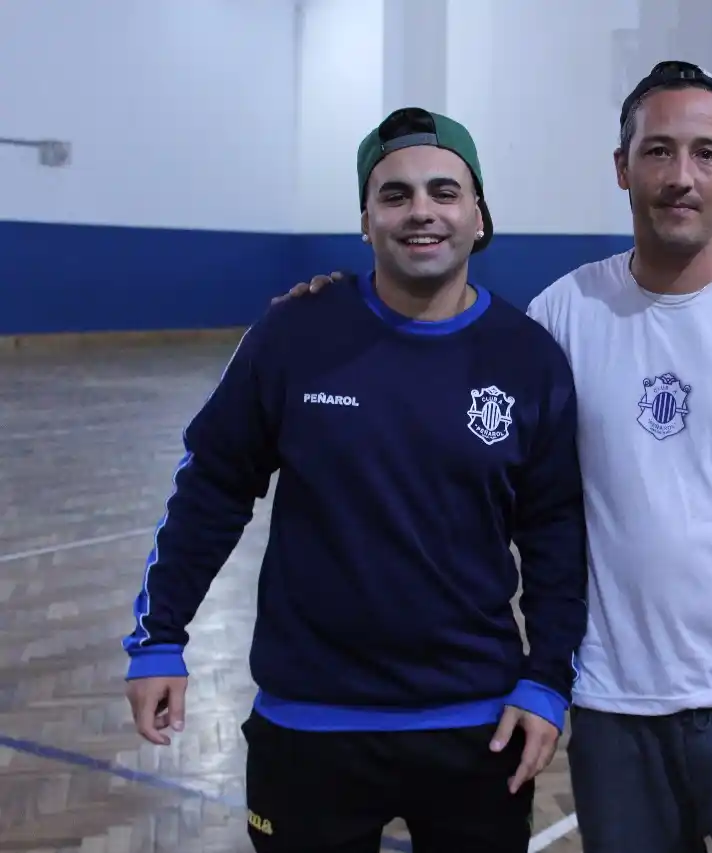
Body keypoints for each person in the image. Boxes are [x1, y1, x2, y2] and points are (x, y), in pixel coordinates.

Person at [280, 61, 712, 853]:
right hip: (615, 705)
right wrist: (342, 305)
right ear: (622, 167)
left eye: (707, 154)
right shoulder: (563, 315)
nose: (682, 176)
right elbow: (436, 357)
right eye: (659, 151)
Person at [121, 106, 588, 853]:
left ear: (478, 215)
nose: (421, 212)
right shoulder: (294, 334)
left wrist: (547, 679)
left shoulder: (527, 358)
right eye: (394, 195)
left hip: (477, 723)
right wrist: (159, 637)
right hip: (309, 721)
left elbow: (557, 533)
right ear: (366, 219)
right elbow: (212, 486)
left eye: (444, 191)